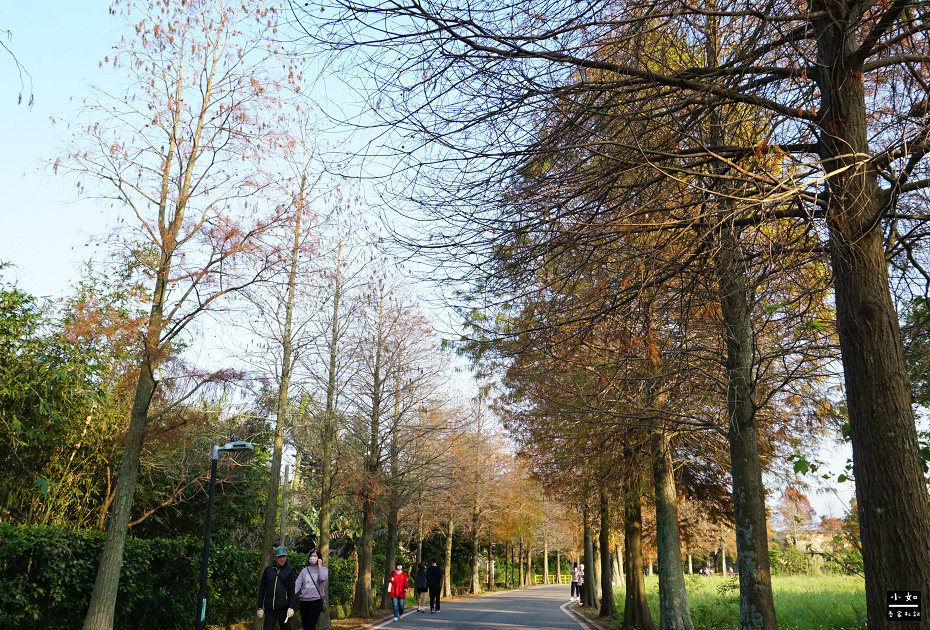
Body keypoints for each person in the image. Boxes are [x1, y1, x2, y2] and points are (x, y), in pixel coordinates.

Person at [257, 546, 297, 630]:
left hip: (284, 608)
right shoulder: (268, 570)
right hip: (270, 609)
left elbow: (291, 590)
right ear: (274, 558)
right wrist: (260, 607)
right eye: (279, 557)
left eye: (284, 556)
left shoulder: (290, 570)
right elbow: (262, 588)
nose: (282, 559)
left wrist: (291, 607)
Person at [294, 548, 328, 630]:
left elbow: (322, 578)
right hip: (304, 601)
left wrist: (320, 565)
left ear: (319, 558)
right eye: (311, 556)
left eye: (315, 556)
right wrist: (290, 595)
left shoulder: (323, 570)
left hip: (316, 602)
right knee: (305, 626)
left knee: (311, 625)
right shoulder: (304, 571)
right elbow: (297, 585)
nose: (313, 557)